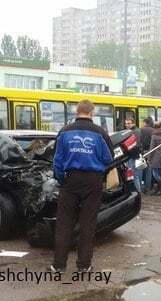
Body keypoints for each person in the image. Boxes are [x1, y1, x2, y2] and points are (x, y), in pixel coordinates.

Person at [51, 100, 113, 273]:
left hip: (70, 180)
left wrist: (62, 179)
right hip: (93, 181)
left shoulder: (64, 132)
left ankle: (59, 265)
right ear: (92, 113)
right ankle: (84, 265)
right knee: (88, 223)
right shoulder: (100, 133)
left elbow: (57, 160)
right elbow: (108, 159)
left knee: (64, 223)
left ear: (76, 112)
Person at [148, 121, 161, 195]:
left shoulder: (154, 136)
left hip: (155, 157)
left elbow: (152, 148)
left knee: (155, 174)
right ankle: (160, 189)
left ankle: (160, 189)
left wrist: (149, 159)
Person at [124, 118, 143, 192]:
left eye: (129, 123)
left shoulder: (133, 132)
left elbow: (135, 145)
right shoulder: (137, 130)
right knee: (137, 174)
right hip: (136, 155)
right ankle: (139, 189)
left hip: (133, 155)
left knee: (134, 175)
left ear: (133, 123)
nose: (127, 125)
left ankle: (138, 192)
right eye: (126, 123)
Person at [140, 117, 155, 193]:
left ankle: (140, 187)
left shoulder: (141, 130)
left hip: (143, 152)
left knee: (141, 169)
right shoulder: (153, 130)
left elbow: (140, 141)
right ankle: (147, 187)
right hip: (150, 152)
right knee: (149, 171)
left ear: (145, 123)